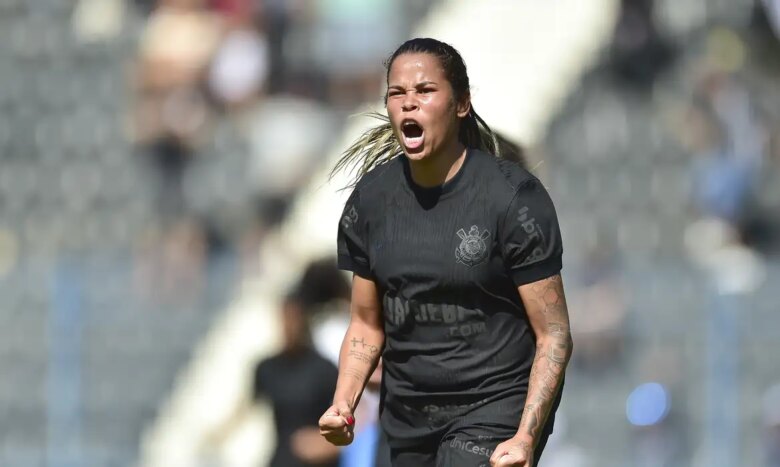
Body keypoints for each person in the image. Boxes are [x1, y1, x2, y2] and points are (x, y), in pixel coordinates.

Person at [318, 38, 574, 467]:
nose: (409, 104)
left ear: (461, 104)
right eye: (397, 94)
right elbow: (365, 323)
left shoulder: (513, 198)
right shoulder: (371, 201)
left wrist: (526, 436)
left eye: (425, 91)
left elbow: (554, 334)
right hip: (407, 418)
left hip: (493, 410)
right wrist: (343, 403)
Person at [208, 291, 341, 467]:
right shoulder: (268, 368)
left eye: (294, 318)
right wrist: (215, 435)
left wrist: (325, 442)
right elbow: (246, 406)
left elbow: (349, 413)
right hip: (282, 459)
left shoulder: (324, 369)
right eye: (285, 318)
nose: (289, 326)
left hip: (318, 461)